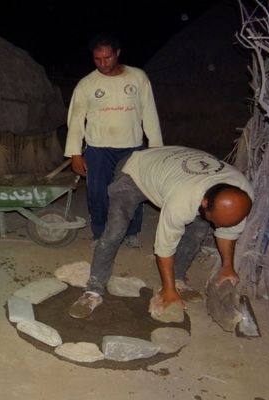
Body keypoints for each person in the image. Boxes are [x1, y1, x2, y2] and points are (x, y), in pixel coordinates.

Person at [68, 146, 254, 319]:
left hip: (177, 171)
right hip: (135, 170)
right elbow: (165, 247)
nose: (218, 228)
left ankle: (178, 278)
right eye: (217, 222)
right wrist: (167, 290)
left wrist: (227, 267)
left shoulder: (241, 193)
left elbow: (228, 232)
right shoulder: (181, 201)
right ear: (204, 203)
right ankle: (93, 289)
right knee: (115, 230)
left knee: (197, 232)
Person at [64, 32, 163, 248]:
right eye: (97, 59)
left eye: (107, 57)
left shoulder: (137, 77)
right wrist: (75, 153)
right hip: (98, 149)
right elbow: (76, 120)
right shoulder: (86, 84)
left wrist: (155, 148)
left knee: (133, 191)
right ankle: (100, 234)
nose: (102, 63)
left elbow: (150, 114)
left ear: (117, 53)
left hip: (132, 147)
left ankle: (131, 232)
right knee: (97, 193)